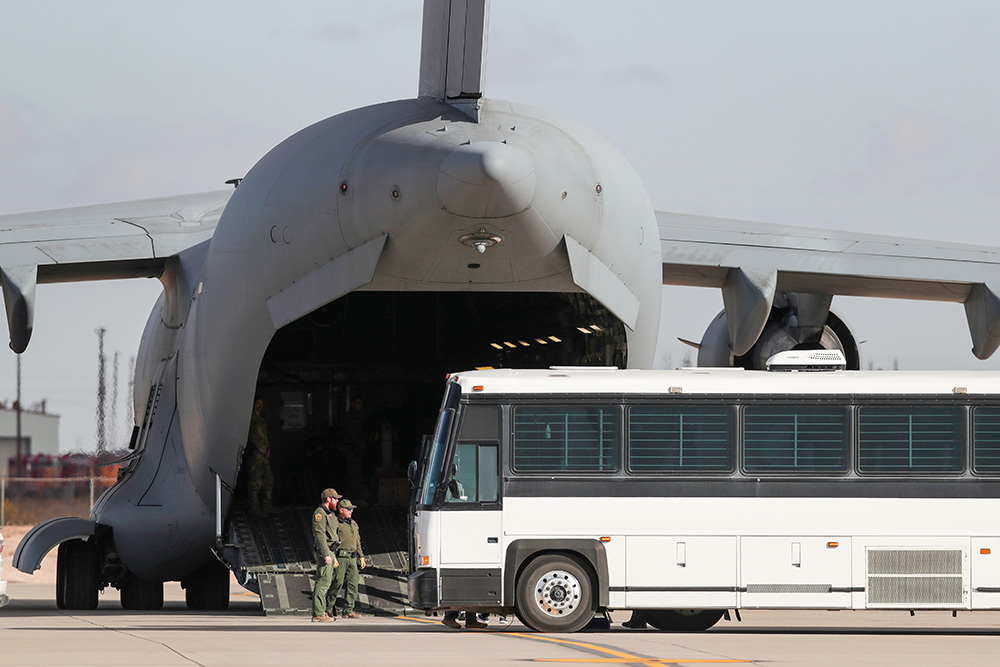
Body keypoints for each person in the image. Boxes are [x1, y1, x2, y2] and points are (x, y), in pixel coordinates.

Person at [330, 498, 367, 618]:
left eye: (352, 509)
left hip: (352, 557)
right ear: (341, 510)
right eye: (349, 509)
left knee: (353, 584)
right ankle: (327, 607)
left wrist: (361, 556)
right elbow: (330, 540)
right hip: (340, 557)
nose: (351, 511)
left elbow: (357, 541)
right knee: (337, 583)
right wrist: (333, 557)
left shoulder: (353, 524)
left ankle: (348, 610)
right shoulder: (335, 522)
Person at [310, 488, 342, 622]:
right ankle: (318, 613)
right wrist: (325, 554)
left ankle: (322, 611)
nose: (337, 501)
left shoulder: (329, 514)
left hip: (331, 550)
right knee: (322, 582)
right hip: (325, 551)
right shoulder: (320, 514)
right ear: (328, 499)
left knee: (327, 582)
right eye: (335, 499)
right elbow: (319, 534)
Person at [246, 396, 273, 516]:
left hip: (263, 455)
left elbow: (264, 437)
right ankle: (254, 508)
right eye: (258, 403)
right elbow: (252, 437)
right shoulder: (250, 419)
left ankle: (267, 506)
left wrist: (267, 448)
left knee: (268, 480)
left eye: (261, 404)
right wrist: (261, 450)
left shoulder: (260, 420)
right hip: (256, 454)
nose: (260, 406)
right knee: (255, 482)